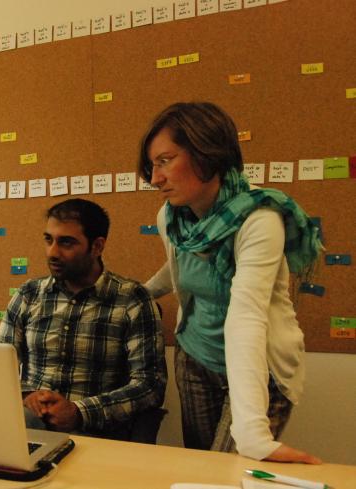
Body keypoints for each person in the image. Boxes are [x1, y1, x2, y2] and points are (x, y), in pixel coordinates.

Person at [138, 102, 322, 463]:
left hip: (259, 364)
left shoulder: (259, 218)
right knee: (204, 468)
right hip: (195, 357)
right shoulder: (171, 216)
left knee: (235, 471)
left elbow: (246, 316)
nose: (154, 178)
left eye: (164, 161)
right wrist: (136, 294)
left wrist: (252, 434)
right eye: (152, 165)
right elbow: (182, 268)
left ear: (207, 152)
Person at [0, 198, 167, 440]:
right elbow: (0, 367)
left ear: (97, 246)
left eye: (66, 243)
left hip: (98, 432)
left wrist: (80, 412)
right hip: (30, 425)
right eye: (49, 240)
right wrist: (26, 395)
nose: (53, 252)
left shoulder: (133, 299)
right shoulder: (29, 294)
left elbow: (150, 385)